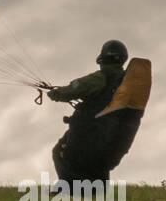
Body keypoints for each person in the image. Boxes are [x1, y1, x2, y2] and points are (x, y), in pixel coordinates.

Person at [47, 40, 128, 187]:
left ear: (103, 58)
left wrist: (57, 94)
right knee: (97, 161)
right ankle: (98, 191)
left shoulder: (100, 78)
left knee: (60, 152)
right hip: (108, 131)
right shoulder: (125, 81)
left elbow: (74, 89)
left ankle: (68, 189)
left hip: (87, 128)